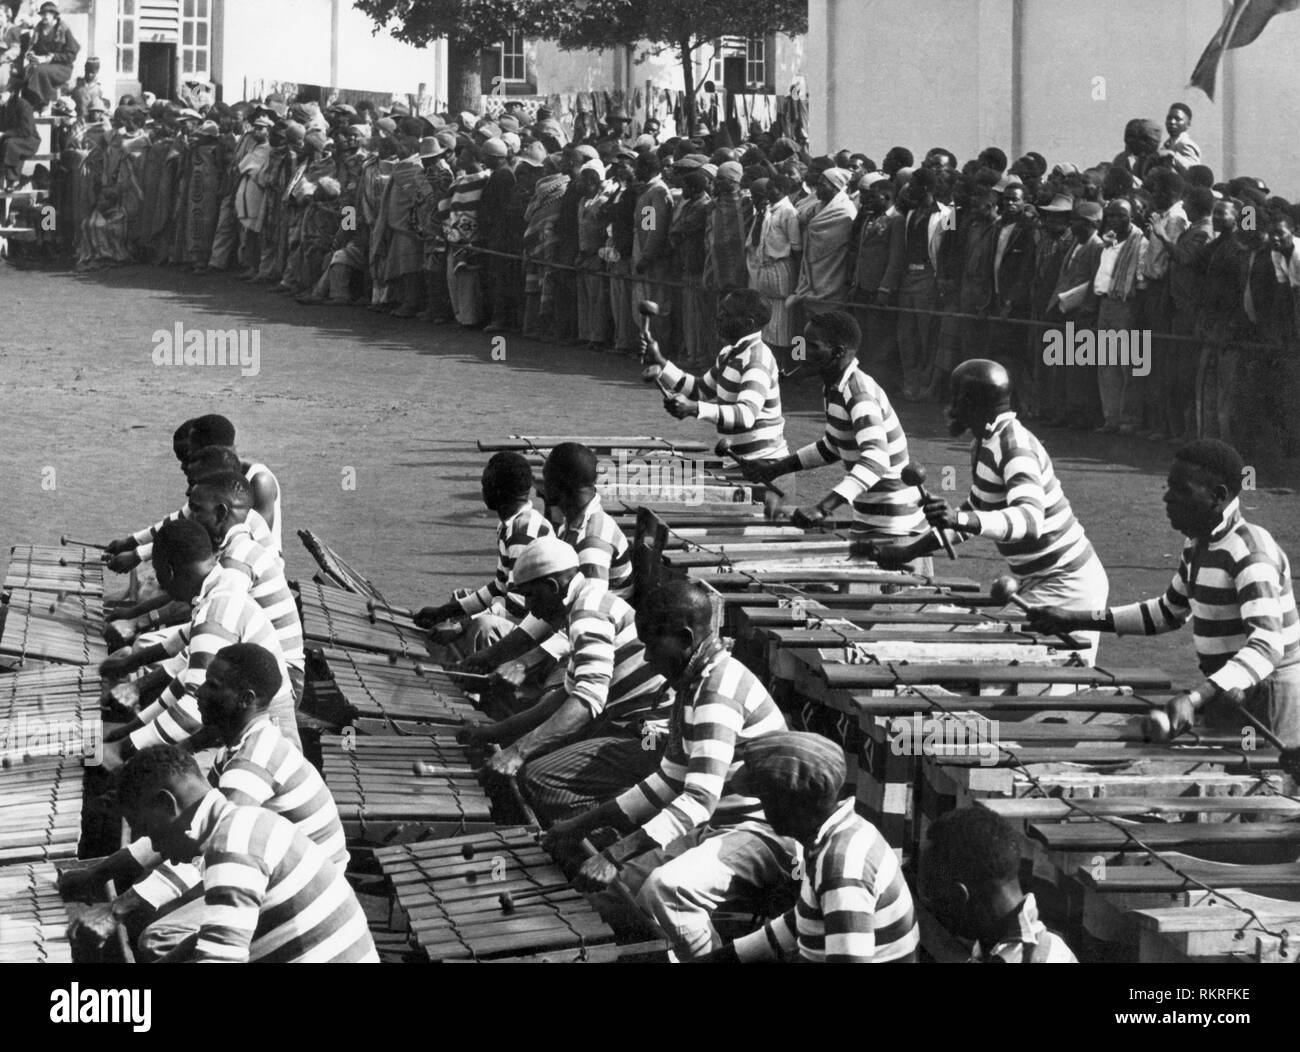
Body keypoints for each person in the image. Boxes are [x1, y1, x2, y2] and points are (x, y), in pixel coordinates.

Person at [543, 580, 795, 961]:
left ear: (684, 637)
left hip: (763, 834)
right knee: (617, 893)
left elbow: (698, 799)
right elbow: (668, 780)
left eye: (651, 644)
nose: (646, 658)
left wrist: (612, 855)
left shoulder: (717, 691)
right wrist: (578, 826)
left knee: (666, 889)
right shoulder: (693, 683)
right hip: (717, 827)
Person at [64, 644, 345, 960]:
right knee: (154, 902)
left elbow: (211, 851)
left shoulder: (252, 764)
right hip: (281, 877)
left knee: (158, 935)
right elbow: (191, 823)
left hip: (299, 890)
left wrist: (116, 909)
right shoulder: (235, 747)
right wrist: (99, 874)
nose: (199, 692)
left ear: (246, 699)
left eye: (213, 686)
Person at [1029, 440, 1299, 746]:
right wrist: (1075, 619)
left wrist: (1195, 698)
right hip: (1228, 688)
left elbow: (1267, 645)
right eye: (1168, 487)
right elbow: (1167, 613)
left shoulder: (1250, 553)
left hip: (1269, 695)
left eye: (1181, 490)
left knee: (1265, 787)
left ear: (1218, 496)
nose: (1167, 498)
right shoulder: (1198, 542)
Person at [874, 359, 1109, 663]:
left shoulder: (1014, 447)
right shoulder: (986, 442)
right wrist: (909, 551)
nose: (949, 405)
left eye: (954, 396)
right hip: (1041, 582)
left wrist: (958, 518)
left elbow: (1029, 520)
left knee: (982, 670)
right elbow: (976, 510)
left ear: (970, 401)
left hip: (1066, 586)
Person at [82, 744, 376, 962]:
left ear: (166, 804)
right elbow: (207, 937)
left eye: (150, 831)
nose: (157, 849)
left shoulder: (231, 847)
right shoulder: (244, 823)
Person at [473, 537, 668, 820]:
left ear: (552, 587)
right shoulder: (584, 604)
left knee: (537, 777)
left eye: (532, 596)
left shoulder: (589, 613)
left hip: (652, 736)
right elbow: (564, 696)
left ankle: (615, 823)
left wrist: (518, 751)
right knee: (538, 755)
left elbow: (587, 700)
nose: (531, 608)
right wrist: (497, 733)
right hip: (623, 724)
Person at [697, 731, 920, 963]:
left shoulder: (842, 867)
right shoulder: (844, 833)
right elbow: (800, 922)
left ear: (786, 802)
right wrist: (718, 959)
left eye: (764, 799)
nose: (763, 809)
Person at [101, 519, 299, 766]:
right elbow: (182, 668)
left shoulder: (215, 615)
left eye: (158, 574)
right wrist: (126, 731)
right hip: (244, 727)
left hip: (270, 750)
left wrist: (123, 748)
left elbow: (192, 709)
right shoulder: (220, 586)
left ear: (168, 572)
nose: (159, 582)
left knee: (142, 772)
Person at [743, 310, 926, 546]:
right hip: (871, 520)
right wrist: (775, 469)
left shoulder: (858, 393)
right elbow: (833, 446)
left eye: (812, 346)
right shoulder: (834, 387)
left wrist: (823, 508)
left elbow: (876, 459)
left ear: (837, 352)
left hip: (895, 529)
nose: (801, 352)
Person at [645, 286, 789, 516]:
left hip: (767, 471)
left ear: (749, 323)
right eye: (721, 310)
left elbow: (745, 415)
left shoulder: (757, 359)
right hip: (741, 466)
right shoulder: (729, 354)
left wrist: (693, 409)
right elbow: (700, 390)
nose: (719, 317)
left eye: (727, 314)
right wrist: (661, 362)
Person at [413, 451, 554, 651]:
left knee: (481, 626)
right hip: (523, 610)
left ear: (496, 491)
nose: (482, 491)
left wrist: (461, 625)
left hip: (539, 626)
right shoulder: (511, 524)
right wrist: (443, 612)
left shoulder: (523, 532)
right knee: (459, 599)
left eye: (484, 485)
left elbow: (517, 603)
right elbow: (500, 587)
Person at [919, 805, 1077, 962]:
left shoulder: (1037, 958)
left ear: (958, 896)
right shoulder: (996, 948)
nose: (937, 914)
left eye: (936, 901)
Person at [21, 3, 79, 109]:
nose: (45, 16)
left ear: (54, 15)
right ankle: (29, 106)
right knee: (27, 72)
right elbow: (33, 48)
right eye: (43, 14)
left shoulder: (63, 29)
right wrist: (32, 56)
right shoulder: (39, 29)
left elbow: (72, 54)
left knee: (39, 71)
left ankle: (46, 102)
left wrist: (51, 58)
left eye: (48, 13)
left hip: (62, 67)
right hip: (42, 64)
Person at [1159, 102, 1201, 176]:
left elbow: (1195, 173)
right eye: (1169, 118)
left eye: (1178, 119)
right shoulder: (1167, 144)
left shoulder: (1186, 144)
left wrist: (1172, 155)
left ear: (1188, 124)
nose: (1172, 122)